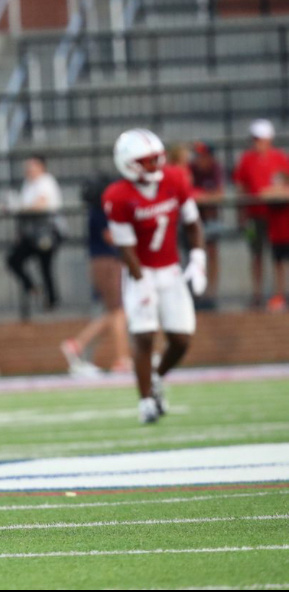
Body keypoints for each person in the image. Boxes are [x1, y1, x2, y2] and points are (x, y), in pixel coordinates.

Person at [103, 129, 206, 425]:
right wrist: (141, 280)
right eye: (147, 161)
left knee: (181, 339)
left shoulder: (174, 179)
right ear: (128, 163)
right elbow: (126, 247)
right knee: (145, 335)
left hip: (171, 269)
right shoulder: (117, 196)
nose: (155, 165)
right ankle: (146, 400)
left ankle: (156, 377)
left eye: (157, 158)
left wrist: (198, 258)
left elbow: (193, 223)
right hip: (141, 269)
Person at [60, 175, 130, 376]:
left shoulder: (97, 211)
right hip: (107, 262)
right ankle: (122, 358)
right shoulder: (100, 212)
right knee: (117, 312)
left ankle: (77, 344)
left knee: (115, 312)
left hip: (103, 262)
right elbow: (110, 237)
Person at [233, 119, 289, 309]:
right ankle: (257, 294)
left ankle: (279, 293)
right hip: (254, 216)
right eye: (255, 139)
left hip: (277, 217)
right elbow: (241, 187)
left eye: (261, 139)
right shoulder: (247, 159)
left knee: (278, 256)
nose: (258, 142)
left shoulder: (280, 158)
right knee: (256, 254)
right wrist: (241, 214)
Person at [6, 155, 63, 317]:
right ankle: (33, 288)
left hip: (47, 232)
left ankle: (51, 301)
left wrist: (20, 207)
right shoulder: (28, 184)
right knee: (14, 260)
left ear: (41, 167)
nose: (28, 169)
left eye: (32, 165)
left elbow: (40, 204)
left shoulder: (46, 181)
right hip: (31, 234)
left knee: (45, 266)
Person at [190, 141, 225, 308]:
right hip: (193, 220)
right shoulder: (191, 168)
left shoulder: (215, 168)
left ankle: (211, 293)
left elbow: (219, 194)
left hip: (210, 219)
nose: (200, 159)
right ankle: (197, 294)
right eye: (198, 156)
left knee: (212, 254)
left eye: (203, 156)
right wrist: (204, 196)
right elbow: (187, 193)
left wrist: (202, 196)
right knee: (195, 256)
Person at [262, 170, 289, 310]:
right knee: (278, 267)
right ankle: (280, 296)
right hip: (276, 237)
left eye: (279, 180)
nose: (276, 183)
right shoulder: (271, 193)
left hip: (287, 236)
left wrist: (281, 190)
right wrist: (276, 191)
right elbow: (263, 193)